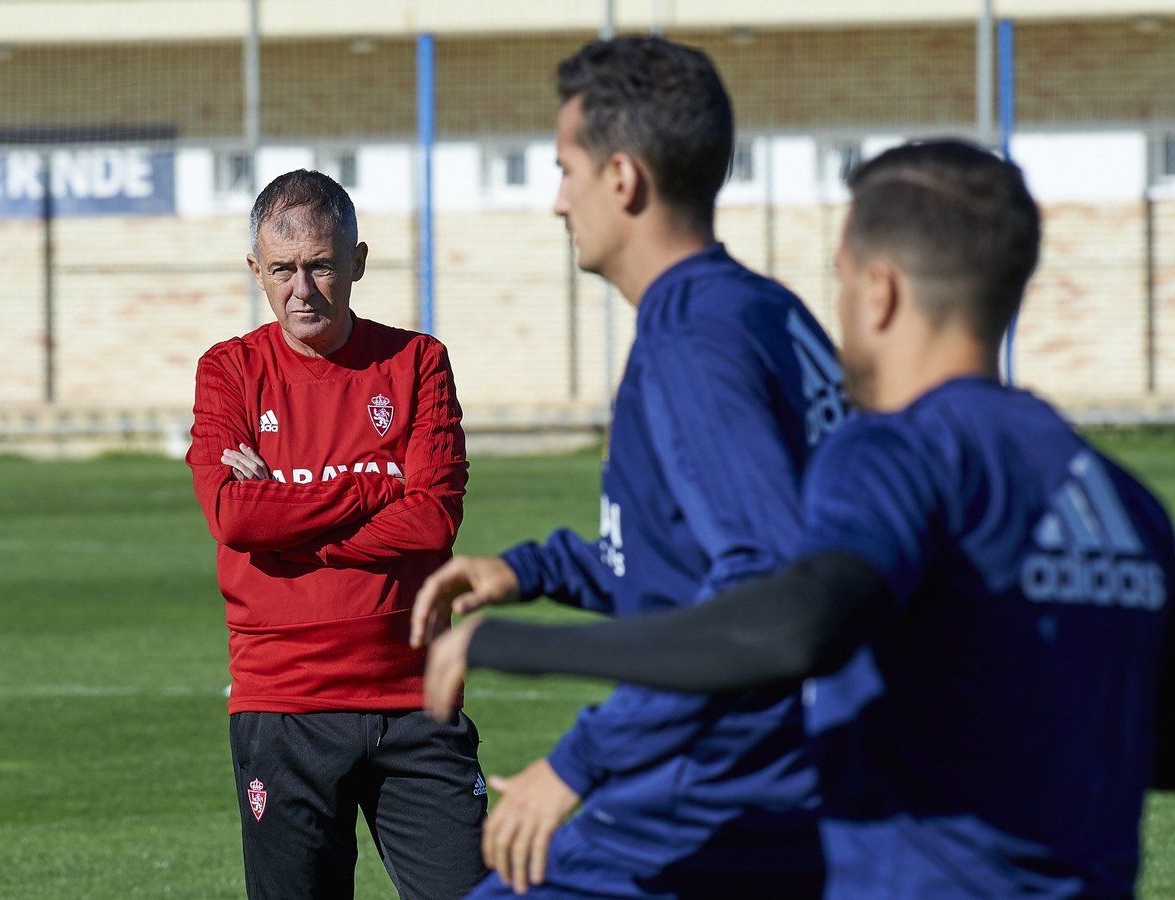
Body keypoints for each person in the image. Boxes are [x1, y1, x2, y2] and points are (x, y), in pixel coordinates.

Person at [425, 140, 1175, 898]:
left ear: (878, 291)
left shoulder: (896, 452)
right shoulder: (1123, 501)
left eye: (842, 282)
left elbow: (792, 622)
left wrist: (523, 646)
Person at [410, 36, 847, 899]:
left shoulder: (690, 337)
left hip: (706, 802)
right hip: (787, 788)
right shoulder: (763, 308)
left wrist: (578, 761)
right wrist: (528, 570)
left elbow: (762, 586)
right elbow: (686, 560)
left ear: (622, 178)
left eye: (566, 169)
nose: (556, 202)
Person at [185, 169, 486, 900]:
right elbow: (234, 516)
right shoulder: (229, 371)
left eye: (320, 265)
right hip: (283, 704)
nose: (302, 289)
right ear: (256, 269)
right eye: (282, 270)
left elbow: (432, 520)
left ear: (356, 260)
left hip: (416, 698)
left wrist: (287, 526)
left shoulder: (416, 364)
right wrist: (377, 486)